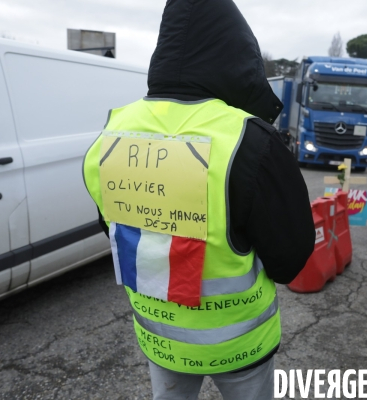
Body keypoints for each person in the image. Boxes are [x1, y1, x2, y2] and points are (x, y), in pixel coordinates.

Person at [82, 1, 315, 398]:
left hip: (160, 340)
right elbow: (290, 258)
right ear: (237, 54)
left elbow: (115, 227)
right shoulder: (249, 138)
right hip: (241, 346)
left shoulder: (110, 132)